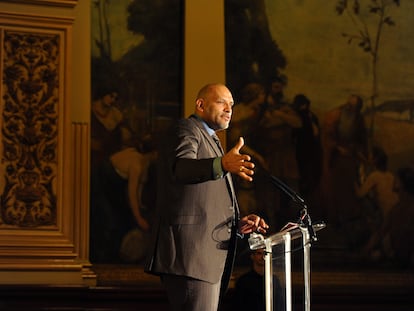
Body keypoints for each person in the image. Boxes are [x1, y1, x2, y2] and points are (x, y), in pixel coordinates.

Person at [145, 83, 269, 311]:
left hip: (205, 258)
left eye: (232, 104)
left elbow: (205, 201)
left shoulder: (212, 140)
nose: (229, 109)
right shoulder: (186, 129)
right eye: (222, 102)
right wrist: (222, 164)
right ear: (201, 105)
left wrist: (236, 225)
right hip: (190, 256)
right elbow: (180, 169)